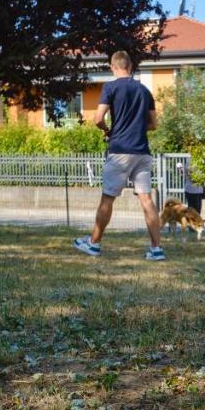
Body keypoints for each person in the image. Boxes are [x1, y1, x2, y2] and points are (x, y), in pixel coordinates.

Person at [74, 51, 165, 261]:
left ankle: (93, 244)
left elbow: (98, 119)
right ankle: (156, 249)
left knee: (108, 198)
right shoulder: (144, 91)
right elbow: (153, 125)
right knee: (147, 201)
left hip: (119, 151)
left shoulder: (110, 88)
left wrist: (108, 130)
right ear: (130, 66)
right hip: (142, 153)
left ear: (113, 67)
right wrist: (136, 127)